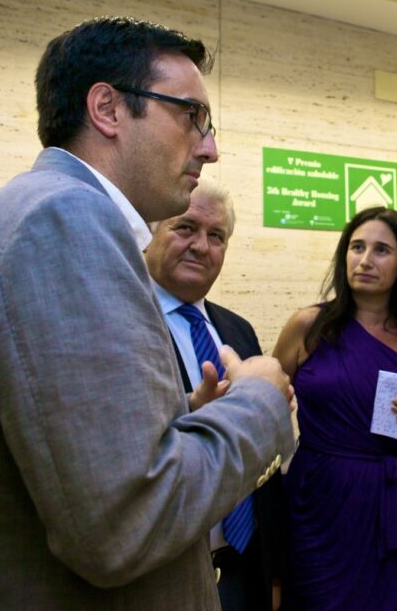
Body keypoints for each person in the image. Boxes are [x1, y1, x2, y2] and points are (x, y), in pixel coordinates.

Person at [0, 17, 295, 610]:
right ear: (108, 109)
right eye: (191, 116)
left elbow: (96, 467)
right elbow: (123, 526)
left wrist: (185, 419)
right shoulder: (64, 221)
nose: (210, 148)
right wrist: (258, 401)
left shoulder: (54, 215)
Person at [273, 206, 397, 610]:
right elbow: (263, 405)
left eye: (382, 250)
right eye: (357, 247)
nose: (365, 260)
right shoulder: (307, 326)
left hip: (392, 502)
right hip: (319, 497)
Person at [145, 180, 288, 610]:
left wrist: (276, 570)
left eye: (216, 236)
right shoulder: (129, 322)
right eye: (185, 228)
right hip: (167, 574)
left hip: (247, 566)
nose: (201, 247)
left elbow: (267, 463)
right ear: (148, 233)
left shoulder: (238, 330)